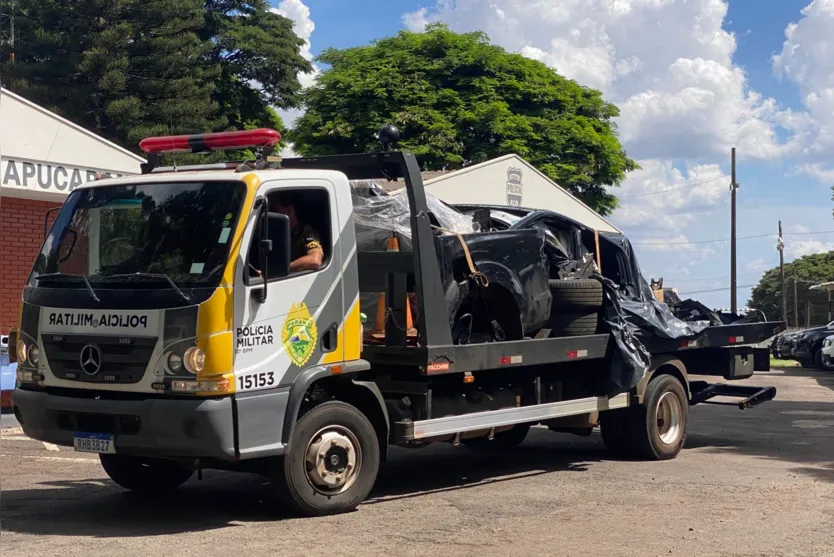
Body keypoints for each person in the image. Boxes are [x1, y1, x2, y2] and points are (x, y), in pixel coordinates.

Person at [269, 191, 324, 273]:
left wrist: (280, 270)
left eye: (275, 208)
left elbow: (314, 260)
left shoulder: (306, 232)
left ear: (290, 210)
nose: (271, 212)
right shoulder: (272, 229)